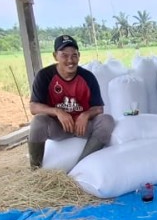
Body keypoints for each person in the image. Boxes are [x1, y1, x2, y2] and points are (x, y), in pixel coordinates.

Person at [27, 35, 115, 169]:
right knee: (38, 121)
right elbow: (33, 107)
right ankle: (35, 170)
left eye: (74, 55)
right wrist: (57, 111)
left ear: (79, 56)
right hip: (58, 126)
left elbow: (99, 108)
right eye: (64, 55)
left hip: (82, 127)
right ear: (55, 56)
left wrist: (85, 115)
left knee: (107, 120)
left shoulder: (88, 77)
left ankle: (82, 166)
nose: (70, 60)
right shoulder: (44, 76)